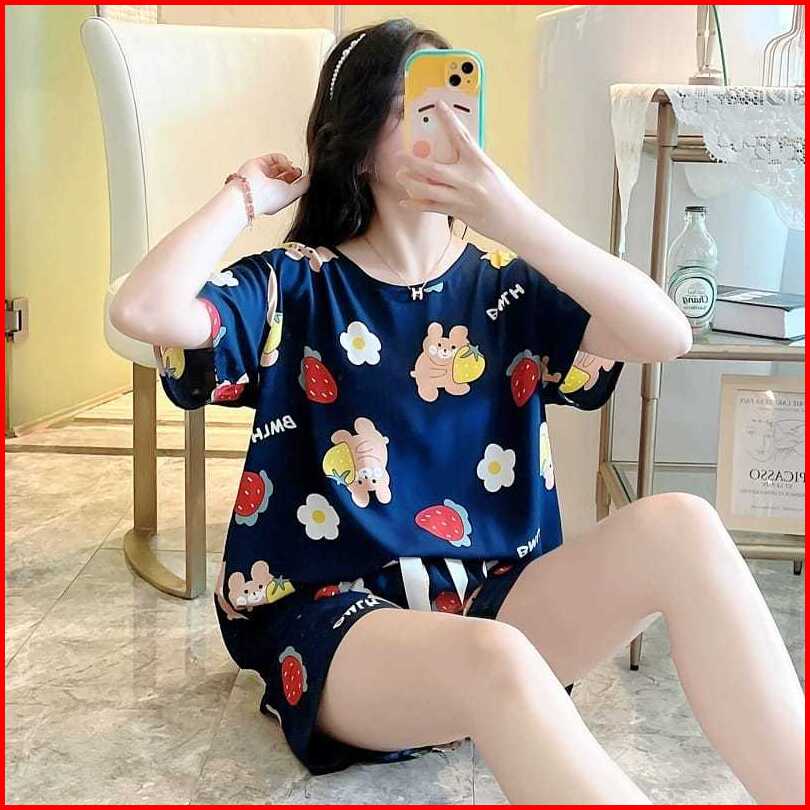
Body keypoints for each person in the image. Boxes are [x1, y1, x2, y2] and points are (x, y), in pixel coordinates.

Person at [110, 18, 805, 805]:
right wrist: (244, 197)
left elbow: (665, 334)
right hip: (340, 623)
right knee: (493, 656)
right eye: (417, 106)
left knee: (683, 525)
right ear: (359, 144)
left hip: (499, 600)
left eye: (458, 102)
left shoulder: (506, 285)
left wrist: (512, 215)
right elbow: (143, 309)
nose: (447, 124)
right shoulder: (294, 287)